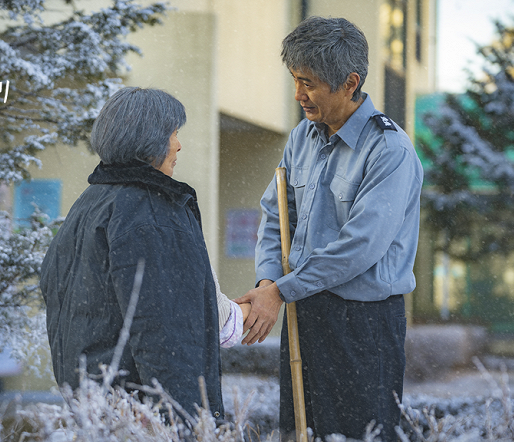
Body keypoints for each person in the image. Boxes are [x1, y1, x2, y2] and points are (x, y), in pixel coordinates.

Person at [235, 17, 423, 441]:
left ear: (350, 82)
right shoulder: (302, 136)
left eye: (310, 83)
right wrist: (268, 282)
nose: (299, 95)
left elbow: (360, 246)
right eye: (295, 80)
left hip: (364, 325)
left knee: (358, 435)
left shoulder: (389, 150)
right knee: (300, 432)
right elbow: (276, 215)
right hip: (305, 310)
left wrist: (280, 291)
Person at [40, 87, 250, 422]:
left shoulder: (90, 204)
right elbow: (166, 331)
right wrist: (187, 423)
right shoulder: (148, 210)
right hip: (143, 416)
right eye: (173, 134)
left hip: (95, 410)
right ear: (148, 140)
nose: (178, 145)